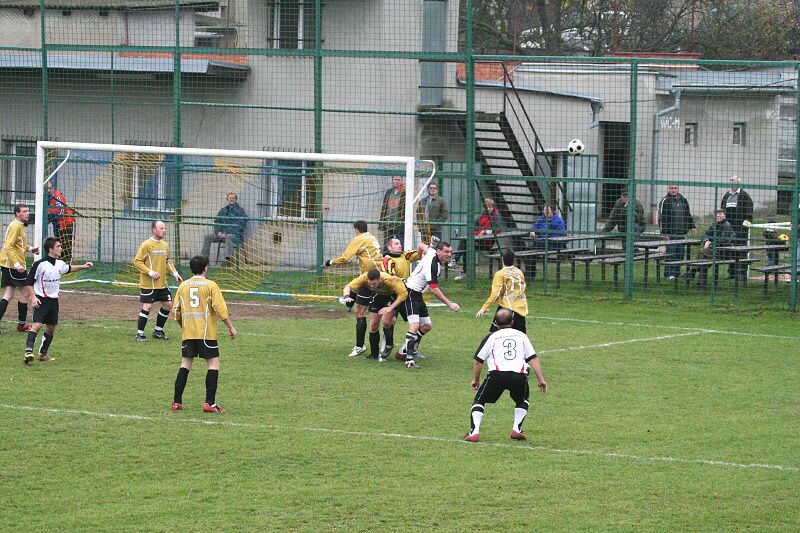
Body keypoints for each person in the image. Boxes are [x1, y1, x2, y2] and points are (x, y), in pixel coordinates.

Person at [464, 308, 547, 443]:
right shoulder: (521, 336)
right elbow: (533, 358)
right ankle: (516, 429)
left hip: (497, 375)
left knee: (479, 400)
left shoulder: (491, 337)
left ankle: (474, 433)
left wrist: (476, 380)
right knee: (522, 400)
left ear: (495, 323)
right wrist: (540, 379)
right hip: (519, 376)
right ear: (513, 322)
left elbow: (478, 362)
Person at [171, 255, 237, 413]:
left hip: (189, 333)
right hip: (206, 334)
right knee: (213, 365)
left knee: (185, 365)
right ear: (205, 268)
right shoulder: (211, 285)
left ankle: (176, 402)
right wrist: (230, 327)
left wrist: (184, 326)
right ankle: (210, 403)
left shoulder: (183, 286)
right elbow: (220, 308)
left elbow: (176, 311)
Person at [21, 237, 93, 365]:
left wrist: (83, 266)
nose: (61, 248)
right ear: (50, 249)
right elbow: (28, 282)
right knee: (37, 325)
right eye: (58, 246)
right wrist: (33, 297)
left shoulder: (60, 264)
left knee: (51, 328)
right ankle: (28, 352)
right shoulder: (40, 264)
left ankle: (43, 354)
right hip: (41, 299)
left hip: (53, 301)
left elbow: (69, 268)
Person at [323, 220, 382, 357]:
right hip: (380, 276)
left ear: (356, 230)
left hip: (369, 279)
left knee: (360, 311)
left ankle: (360, 346)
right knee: (381, 316)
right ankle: (349, 300)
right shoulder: (372, 237)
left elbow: (346, 258)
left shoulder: (359, 238)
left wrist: (330, 262)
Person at [400, 240, 460, 369]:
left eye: (450, 252)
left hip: (418, 294)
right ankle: (408, 360)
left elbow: (420, 245)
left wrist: (420, 256)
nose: (449, 254)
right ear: (438, 251)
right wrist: (450, 304)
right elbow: (434, 289)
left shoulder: (431, 251)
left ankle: (405, 350)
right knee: (414, 325)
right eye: (446, 252)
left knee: (426, 326)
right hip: (410, 292)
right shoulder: (433, 265)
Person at [342, 268, 408, 362]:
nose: (371, 286)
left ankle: (389, 344)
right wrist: (346, 296)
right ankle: (374, 354)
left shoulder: (390, 280)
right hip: (377, 296)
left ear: (379, 279)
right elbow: (348, 287)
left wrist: (390, 307)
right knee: (373, 325)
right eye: (370, 283)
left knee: (386, 322)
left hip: (392, 296)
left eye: (374, 284)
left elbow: (403, 294)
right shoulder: (364, 277)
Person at [132, 220, 183, 342]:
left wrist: (175, 273)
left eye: (164, 228)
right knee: (147, 306)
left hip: (162, 283)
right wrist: (150, 272)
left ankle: (158, 331)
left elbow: (167, 261)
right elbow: (137, 261)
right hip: (148, 284)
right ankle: (140, 334)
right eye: (161, 228)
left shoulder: (165, 245)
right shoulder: (146, 245)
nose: (164, 231)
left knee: (168, 305)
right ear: (154, 230)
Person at [0, 204, 40, 333]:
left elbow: (19, 244)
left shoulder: (19, 225)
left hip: (9, 264)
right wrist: (16, 264)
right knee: (26, 292)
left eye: (28, 211)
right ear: (17, 213)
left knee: (9, 294)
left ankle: (22, 324)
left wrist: (31, 249)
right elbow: (8, 246)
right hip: (13, 266)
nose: (28, 213)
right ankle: (22, 324)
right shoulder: (15, 226)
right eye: (24, 211)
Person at [380, 237, 420, 358]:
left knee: (418, 324)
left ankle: (408, 350)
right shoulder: (387, 260)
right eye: (396, 244)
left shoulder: (406, 255)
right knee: (387, 322)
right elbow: (390, 278)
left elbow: (420, 253)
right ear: (389, 247)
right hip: (394, 295)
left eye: (400, 243)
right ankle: (388, 346)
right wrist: (404, 280)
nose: (400, 245)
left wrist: (430, 247)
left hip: (407, 295)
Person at [475, 249, 528, 333]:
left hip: (507, 308)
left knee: (495, 334)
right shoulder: (519, 272)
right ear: (514, 260)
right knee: (520, 336)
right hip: (521, 308)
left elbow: (495, 293)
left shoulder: (500, 274)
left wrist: (484, 308)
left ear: (502, 259)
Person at [453, 197, 502, 281]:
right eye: (486, 207)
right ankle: (462, 269)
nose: (488, 209)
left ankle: (456, 260)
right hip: (478, 240)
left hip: (489, 243)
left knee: (466, 244)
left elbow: (497, 230)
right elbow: (473, 229)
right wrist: (478, 233)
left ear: (493, 207)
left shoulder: (496, 216)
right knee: (466, 245)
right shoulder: (480, 216)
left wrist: (484, 232)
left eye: (490, 207)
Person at [658, 185, 697, 279]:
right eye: (671, 188)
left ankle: (676, 273)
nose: (673, 190)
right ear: (668, 189)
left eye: (675, 188)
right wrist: (664, 233)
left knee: (680, 254)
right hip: (671, 233)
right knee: (671, 254)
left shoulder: (683, 200)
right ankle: (668, 274)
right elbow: (661, 218)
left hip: (682, 233)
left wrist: (692, 226)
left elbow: (688, 214)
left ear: (678, 189)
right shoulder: (665, 201)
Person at [689, 209, 736, 288]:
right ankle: (700, 284)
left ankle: (693, 272)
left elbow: (722, 241)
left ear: (725, 215)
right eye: (717, 214)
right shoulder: (714, 224)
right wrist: (706, 241)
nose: (718, 215)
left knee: (703, 253)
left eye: (720, 214)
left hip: (724, 252)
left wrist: (710, 244)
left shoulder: (727, 226)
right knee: (703, 259)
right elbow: (705, 234)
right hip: (713, 251)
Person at [201, 192, 248, 266]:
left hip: (235, 236)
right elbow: (217, 222)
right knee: (207, 237)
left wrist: (227, 233)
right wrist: (218, 232)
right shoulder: (223, 210)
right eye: (230, 198)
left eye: (233, 198)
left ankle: (228, 261)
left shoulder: (240, 211)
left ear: (236, 199)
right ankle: (204, 260)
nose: (231, 199)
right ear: (227, 199)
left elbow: (241, 224)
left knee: (228, 237)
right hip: (222, 235)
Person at [720, 175, 753, 280]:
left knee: (741, 251)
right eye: (731, 181)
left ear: (739, 183)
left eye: (734, 181)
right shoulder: (726, 196)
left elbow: (749, 215)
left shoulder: (745, 196)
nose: (732, 183)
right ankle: (732, 273)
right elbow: (722, 211)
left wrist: (744, 228)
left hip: (740, 230)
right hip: (729, 229)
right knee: (731, 250)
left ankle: (742, 273)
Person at [527, 204, 567, 279]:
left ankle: (530, 276)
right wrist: (532, 231)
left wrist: (549, 237)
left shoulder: (558, 221)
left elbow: (562, 234)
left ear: (552, 211)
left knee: (532, 248)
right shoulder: (541, 219)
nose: (546, 212)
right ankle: (530, 276)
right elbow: (534, 226)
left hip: (553, 245)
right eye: (545, 210)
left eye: (548, 210)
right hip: (542, 243)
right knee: (528, 253)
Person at [47, 181, 75, 264]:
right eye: (47, 188)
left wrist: (48, 217)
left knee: (65, 244)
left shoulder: (57, 196)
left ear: (53, 188)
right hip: (57, 223)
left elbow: (60, 211)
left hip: (66, 223)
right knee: (58, 242)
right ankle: (59, 261)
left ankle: (66, 263)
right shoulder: (46, 197)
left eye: (50, 188)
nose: (48, 190)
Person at [379, 175, 405, 246]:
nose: (397, 181)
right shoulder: (389, 192)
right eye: (395, 179)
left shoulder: (404, 192)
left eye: (398, 179)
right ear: (392, 181)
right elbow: (384, 207)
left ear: (401, 181)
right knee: (387, 245)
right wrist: (382, 221)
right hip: (388, 222)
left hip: (399, 223)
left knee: (401, 244)